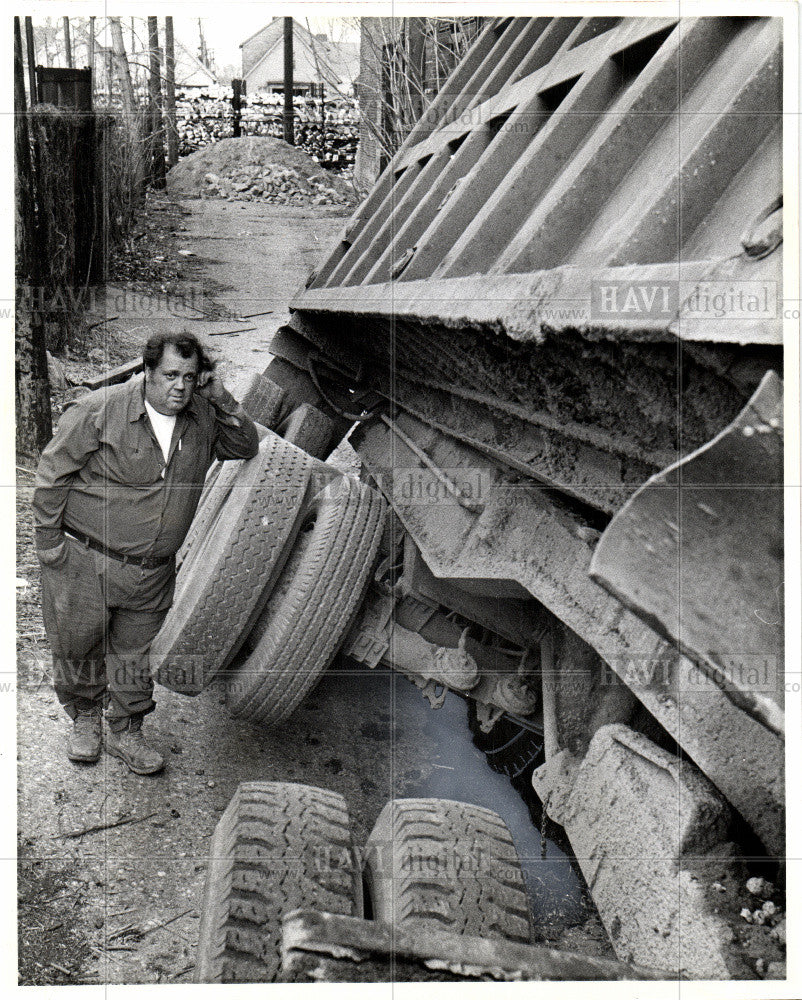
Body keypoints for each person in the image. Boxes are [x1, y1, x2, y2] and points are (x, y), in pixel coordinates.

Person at [32, 332, 259, 775]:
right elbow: (52, 474)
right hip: (87, 560)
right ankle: (84, 717)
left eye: (190, 378)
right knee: (78, 645)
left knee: (135, 653)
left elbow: (245, 446)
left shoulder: (203, 418)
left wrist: (221, 397)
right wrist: (49, 545)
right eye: (170, 375)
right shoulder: (100, 410)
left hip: (152, 572)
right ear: (148, 372)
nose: (180, 386)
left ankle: (126, 728)